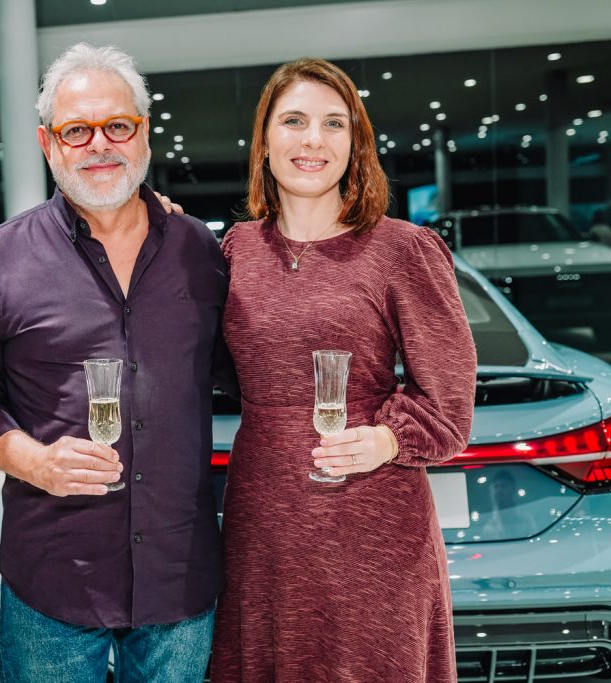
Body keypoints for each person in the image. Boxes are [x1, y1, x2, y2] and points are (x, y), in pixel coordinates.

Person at [0, 43, 232, 682]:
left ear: (144, 135)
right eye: (77, 131)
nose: (99, 144)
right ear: (49, 143)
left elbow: (240, 369)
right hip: (54, 573)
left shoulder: (199, 249)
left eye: (117, 126)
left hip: (178, 571)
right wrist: (32, 459)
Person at [209, 58, 476, 682]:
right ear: (265, 140)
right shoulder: (234, 250)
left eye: (334, 124)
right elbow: (212, 367)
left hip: (370, 515)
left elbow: (450, 401)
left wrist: (386, 437)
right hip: (262, 516)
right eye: (294, 120)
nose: (313, 140)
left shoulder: (403, 249)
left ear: (355, 144)